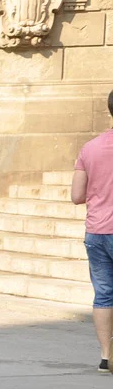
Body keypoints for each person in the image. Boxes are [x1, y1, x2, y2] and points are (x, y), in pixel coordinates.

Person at [72, 89, 113, 371]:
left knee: (104, 294)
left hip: (97, 231)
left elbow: (77, 195)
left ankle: (106, 356)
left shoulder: (90, 148)